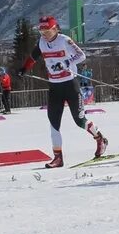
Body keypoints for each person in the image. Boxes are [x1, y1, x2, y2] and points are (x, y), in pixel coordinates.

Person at [18, 15, 108, 167]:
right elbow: (32, 57)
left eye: (47, 31)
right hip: (54, 87)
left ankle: (100, 139)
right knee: (53, 124)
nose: (45, 34)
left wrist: (66, 62)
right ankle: (58, 157)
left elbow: (81, 55)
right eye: (42, 32)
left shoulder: (64, 40)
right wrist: (24, 69)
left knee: (80, 121)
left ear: (55, 29)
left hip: (70, 85)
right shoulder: (41, 42)